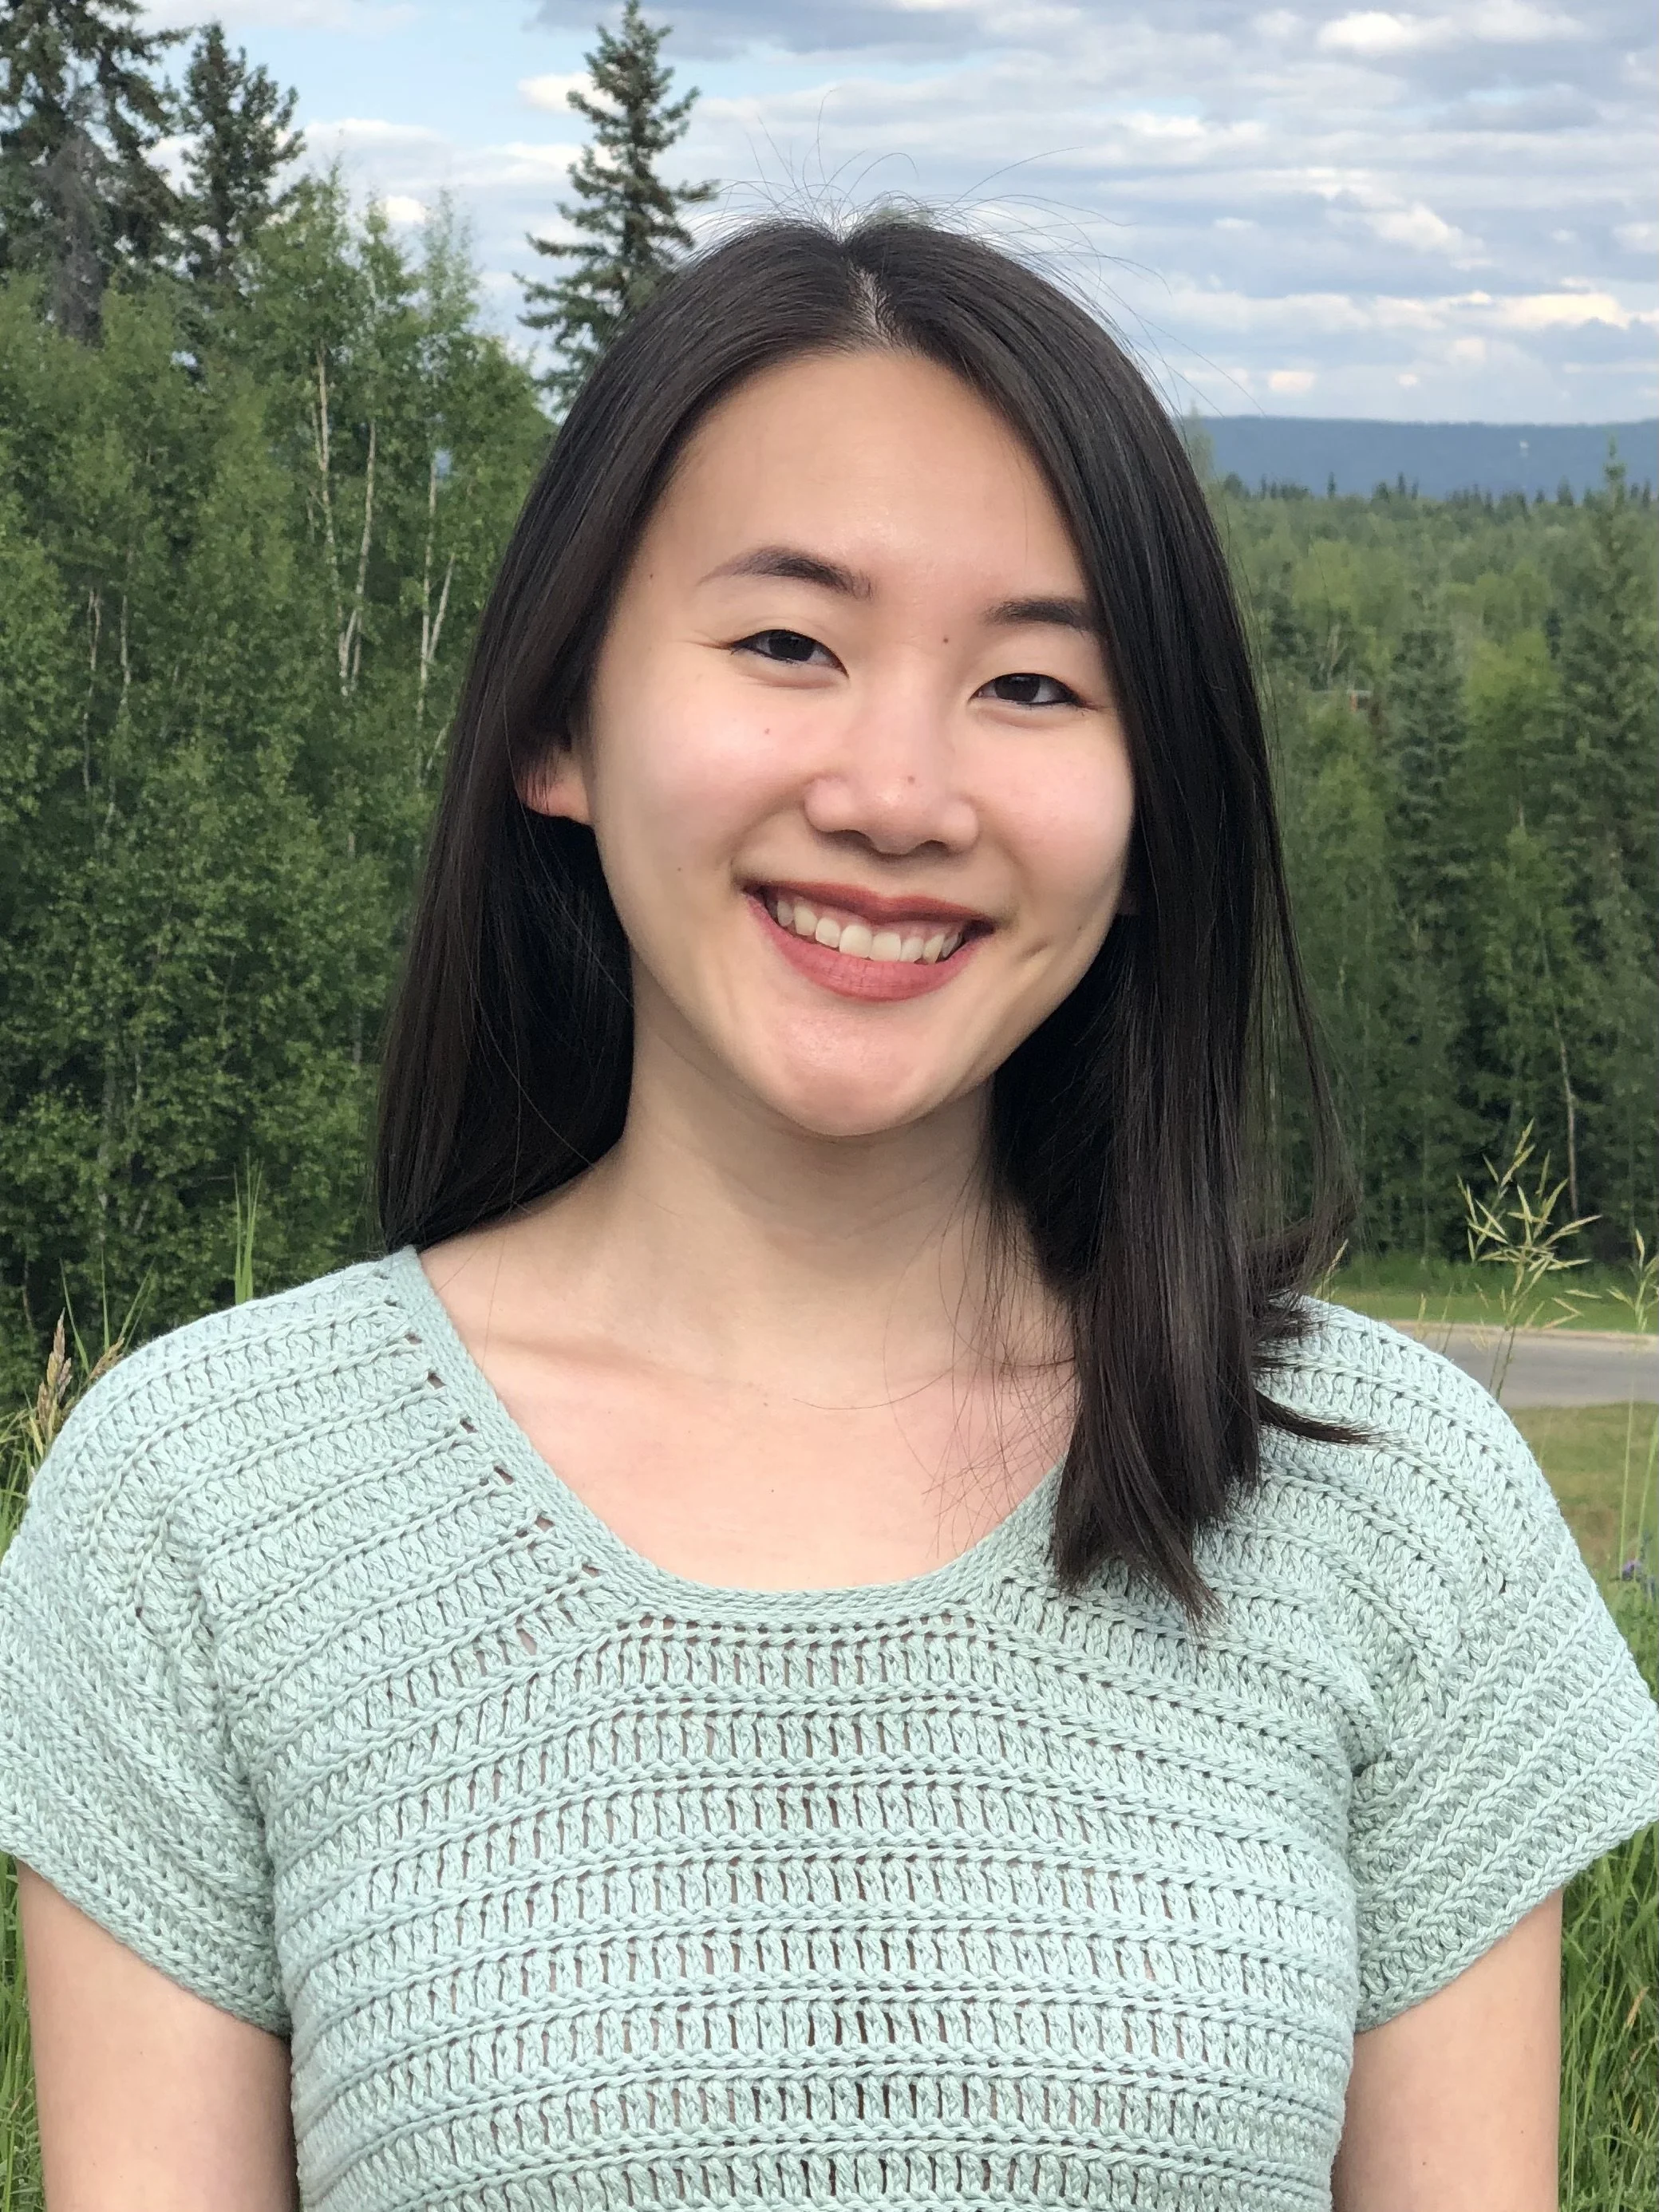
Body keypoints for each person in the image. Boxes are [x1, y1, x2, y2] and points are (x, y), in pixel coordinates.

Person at [0, 212, 1653, 2212]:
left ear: (1153, 819)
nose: (895, 794)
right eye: (789, 644)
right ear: (556, 723)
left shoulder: (1393, 1505)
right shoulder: (201, 1510)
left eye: (1033, 684)